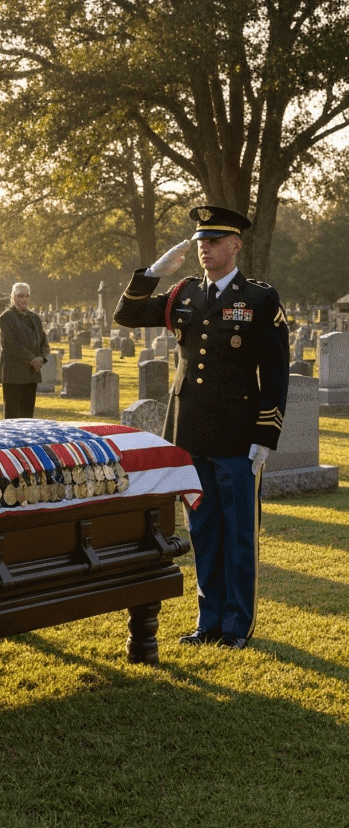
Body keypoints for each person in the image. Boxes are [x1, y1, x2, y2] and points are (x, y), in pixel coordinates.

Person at [114, 205, 290, 650]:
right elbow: (127, 316)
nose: (204, 250)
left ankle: (236, 626)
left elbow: (275, 374)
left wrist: (265, 436)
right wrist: (152, 273)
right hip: (190, 432)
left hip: (236, 435)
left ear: (235, 245)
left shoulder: (259, 298)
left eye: (213, 242)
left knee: (237, 532)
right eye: (199, 243)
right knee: (203, 530)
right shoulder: (184, 293)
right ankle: (208, 621)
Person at [0, 282, 50, 418]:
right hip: (13, 374)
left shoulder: (34, 317)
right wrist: (32, 359)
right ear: (13, 297)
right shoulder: (6, 317)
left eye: (27, 296)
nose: (24, 299)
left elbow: (43, 341)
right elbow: (11, 344)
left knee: (28, 417)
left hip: (32, 374)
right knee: (13, 418)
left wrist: (41, 358)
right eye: (21, 296)